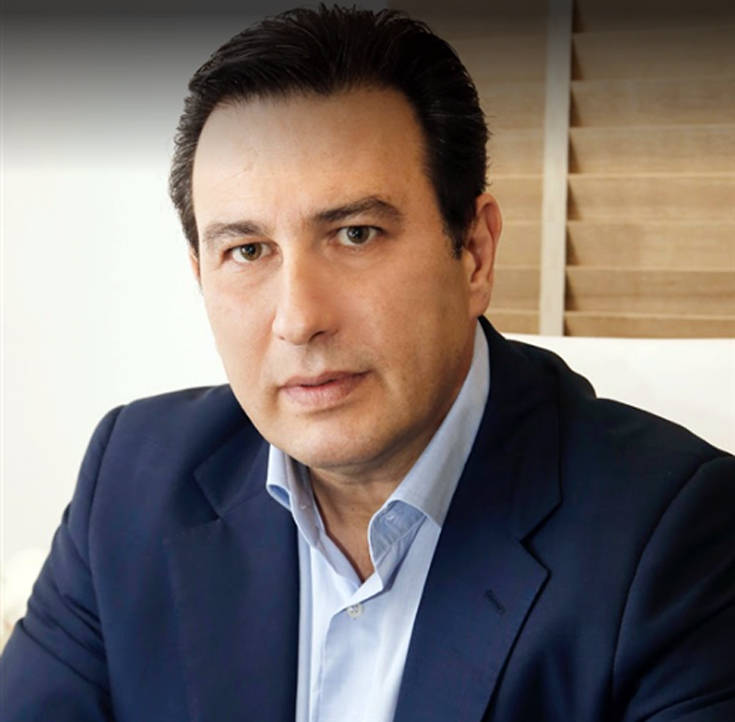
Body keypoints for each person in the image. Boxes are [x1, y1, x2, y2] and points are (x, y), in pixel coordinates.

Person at [1, 5, 733, 721]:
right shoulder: (129, 480)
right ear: (201, 276)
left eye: (355, 234)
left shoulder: (672, 536)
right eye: (248, 251)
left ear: (474, 255)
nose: (299, 319)